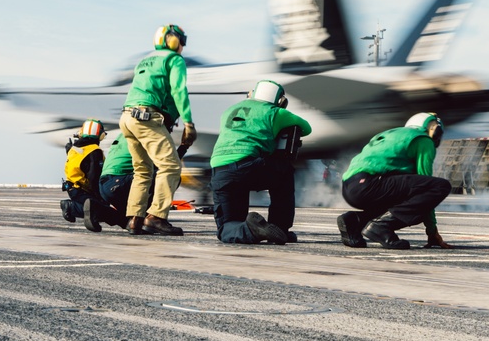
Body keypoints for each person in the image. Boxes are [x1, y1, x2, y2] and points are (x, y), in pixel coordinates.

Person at [209, 80, 312, 245]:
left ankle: (250, 229)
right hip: (250, 167)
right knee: (285, 172)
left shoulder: (228, 111)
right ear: (281, 102)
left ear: (250, 94)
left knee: (228, 226)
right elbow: (306, 128)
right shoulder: (275, 112)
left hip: (220, 172)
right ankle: (279, 228)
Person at [119, 24, 196, 236]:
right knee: (170, 167)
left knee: (142, 171)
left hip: (127, 117)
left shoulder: (144, 61)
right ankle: (156, 217)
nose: (182, 46)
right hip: (146, 116)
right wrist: (188, 123)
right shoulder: (174, 59)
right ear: (173, 40)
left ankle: (134, 219)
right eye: (182, 41)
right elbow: (179, 90)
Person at [337, 113, 452, 250]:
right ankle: (382, 227)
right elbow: (427, 184)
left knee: (402, 199)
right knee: (440, 186)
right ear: (434, 129)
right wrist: (432, 231)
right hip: (370, 183)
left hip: (351, 187)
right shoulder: (423, 139)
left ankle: (355, 221)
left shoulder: (391, 134)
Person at [60, 119, 125, 231]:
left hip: (72, 189)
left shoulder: (74, 148)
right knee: (105, 210)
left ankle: (72, 207)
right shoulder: (95, 152)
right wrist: (101, 198)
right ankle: (126, 222)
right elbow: (93, 177)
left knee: (91, 207)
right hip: (84, 191)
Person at [97, 134, 136, 219]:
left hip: (104, 185)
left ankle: (97, 209)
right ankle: (153, 217)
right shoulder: (95, 150)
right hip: (118, 183)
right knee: (159, 174)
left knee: (125, 218)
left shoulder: (122, 136)